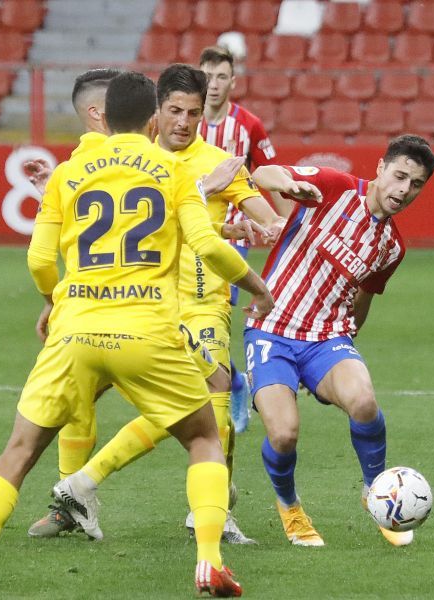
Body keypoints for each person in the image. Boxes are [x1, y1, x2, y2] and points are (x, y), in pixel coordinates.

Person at [0, 70, 272, 597]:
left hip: (76, 329)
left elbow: (37, 260)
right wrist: (256, 287)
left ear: (104, 115)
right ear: (152, 120)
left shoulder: (68, 174)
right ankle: (208, 561)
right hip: (146, 332)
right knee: (204, 437)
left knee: (18, 450)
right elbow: (210, 247)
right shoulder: (172, 171)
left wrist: (55, 300)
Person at [26, 65, 282, 545]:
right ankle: (70, 502)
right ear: (154, 114)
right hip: (130, 304)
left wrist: (265, 224)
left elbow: (264, 219)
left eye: (192, 112)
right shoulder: (122, 161)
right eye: (173, 111)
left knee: (214, 392)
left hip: (201, 305)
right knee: (80, 400)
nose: (183, 122)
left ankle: (210, 512)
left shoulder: (219, 162)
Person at [245, 134, 434, 548]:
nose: (403, 190)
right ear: (381, 168)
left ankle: (377, 494)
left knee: (364, 401)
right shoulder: (333, 186)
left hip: (326, 338)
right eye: (400, 176)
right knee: (284, 435)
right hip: (271, 329)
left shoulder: (392, 247)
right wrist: (286, 184)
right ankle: (290, 508)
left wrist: (347, 345)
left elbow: (364, 298)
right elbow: (261, 171)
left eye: (416, 184)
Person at [198, 45, 281, 433]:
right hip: (187, 230)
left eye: (220, 77)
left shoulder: (248, 125)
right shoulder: (183, 122)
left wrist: (281, 222)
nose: (213, 85)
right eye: (207, 76)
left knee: (218, 313)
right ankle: (232, 377)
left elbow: (269, 176)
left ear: (234, 81)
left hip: (235, 232)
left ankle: (224, 384)